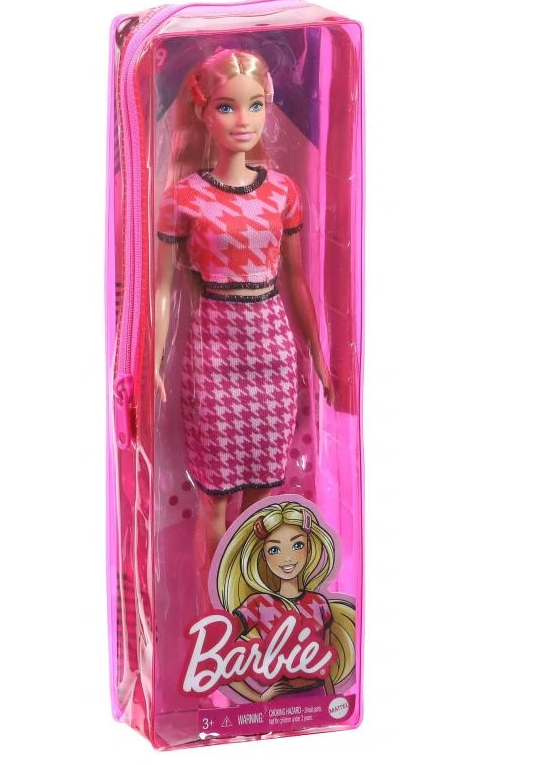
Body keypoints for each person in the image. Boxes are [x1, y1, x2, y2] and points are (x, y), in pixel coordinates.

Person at [154, 48, 333, 557]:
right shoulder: (183, 198)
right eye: (227, 106)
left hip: (272, 350)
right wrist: (153, 363)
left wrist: (318, 356)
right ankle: (213, 599)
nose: (243, 120)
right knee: (214, 496)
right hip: (213, 350)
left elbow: (296, 278)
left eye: (255, 105)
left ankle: (251, 594)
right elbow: (162, 288)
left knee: (262, 497)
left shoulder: (282, 192)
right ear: (203, 112)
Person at [214, 500, 355, 702]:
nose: (287, 558)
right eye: (274, 550)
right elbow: (217, 652)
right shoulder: (258, 605)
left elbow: (325, 668)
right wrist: (258, 697)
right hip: (279, 700)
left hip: (316, 697)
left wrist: (331, 704)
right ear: (263, 555)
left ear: (309, 548)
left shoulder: (319, 604)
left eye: (297, 545)